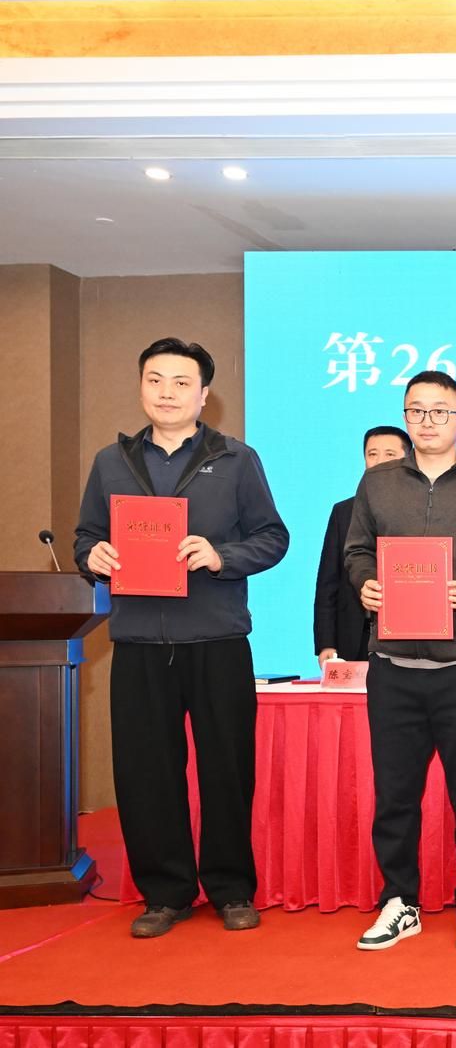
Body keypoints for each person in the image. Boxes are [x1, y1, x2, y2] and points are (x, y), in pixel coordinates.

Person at [73, 337, 289, 938]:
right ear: (141, 386)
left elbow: (273, 537)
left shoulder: (237, 459)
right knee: (146, 772)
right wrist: (95, 555)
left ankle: (231, 888)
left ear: (203, 394)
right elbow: (85, 537)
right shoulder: (110, 462)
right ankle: (165, 893)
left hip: (217, 639)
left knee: (227, 770)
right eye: (155, 380)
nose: (166, 393)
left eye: (180, 382)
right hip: (139, 640)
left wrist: (221, 556)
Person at [344, 370, 456, 952]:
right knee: (395, 794)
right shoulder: (377, 484)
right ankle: (399, 901)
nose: (427, 421)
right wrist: (366, 582)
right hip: (393, 667)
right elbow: (356, 550)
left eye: (440, 411)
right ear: (405, 417)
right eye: (416, 410)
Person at [314, 426, 410, 665]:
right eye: (372, 454)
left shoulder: (422, 509)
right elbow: (328, 582)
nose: (379, 461)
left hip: (407, 639)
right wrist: (326, 643)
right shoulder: (344, 512)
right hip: (354, 637)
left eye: (390, 454)